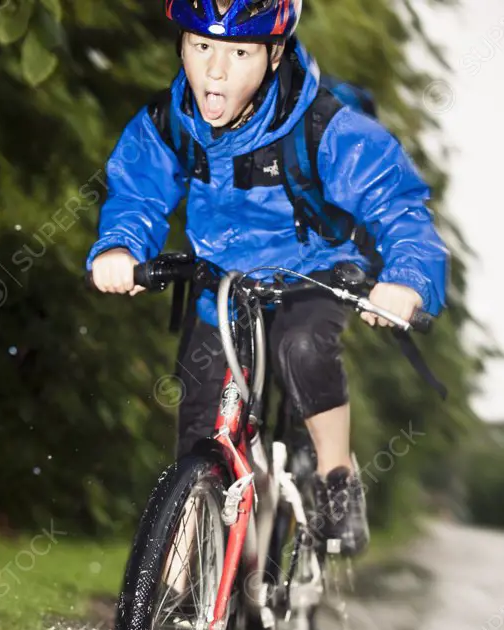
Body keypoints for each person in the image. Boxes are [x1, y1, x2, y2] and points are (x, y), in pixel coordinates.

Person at [86, 0, 449, 557]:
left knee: (303, 348)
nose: (215, 70)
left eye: (239, 51)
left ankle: (335, 480)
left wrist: (404, 279)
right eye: (201, 46)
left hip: (309, 278)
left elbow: (398, 208)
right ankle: (179, 590)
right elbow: (137, 192)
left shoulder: (327, 127)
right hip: (220, 289)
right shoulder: (167, 123)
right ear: (180, 43)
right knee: (198, 438)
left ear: (274, 53)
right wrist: (120, 247)